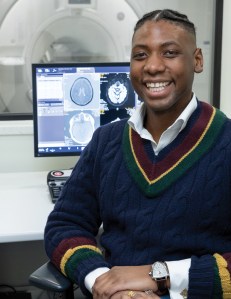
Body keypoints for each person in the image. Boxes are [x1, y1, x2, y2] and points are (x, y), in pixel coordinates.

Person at [44, 9, 231, 299]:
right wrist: (104, 282)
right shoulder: (106, 141)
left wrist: (158, 276)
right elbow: (65, 225)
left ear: (197, 60)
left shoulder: (226, 141)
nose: (153, 67)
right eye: (140, 55)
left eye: (169, 53)